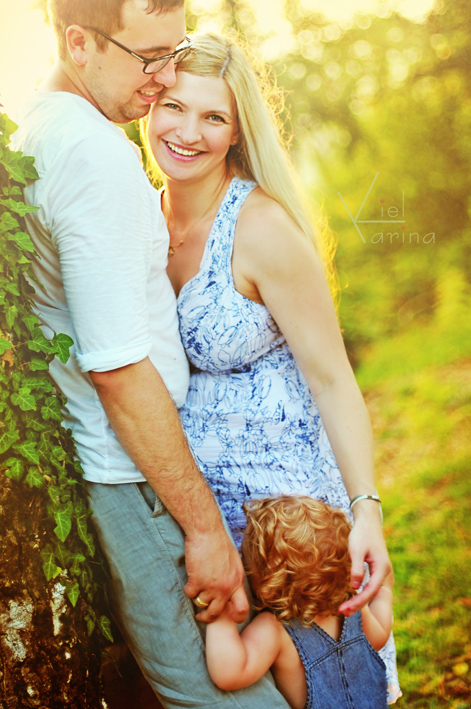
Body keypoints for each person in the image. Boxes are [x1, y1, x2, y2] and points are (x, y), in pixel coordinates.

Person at [12, 3, 290, 707]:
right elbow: (117, 367)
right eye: (149, 57)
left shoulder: (46, 127)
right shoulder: (93, 155)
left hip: (143, 471)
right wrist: (204, 529)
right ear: (79, 43)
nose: (166, 76)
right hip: (138, 478)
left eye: (177, 49)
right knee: (225, 698)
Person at [145, 31, 401, 701]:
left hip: (292, 533)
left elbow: (333, 380)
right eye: (174, 106)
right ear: (149, 103)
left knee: (325, 686)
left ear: (237, 132)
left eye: (213, 116)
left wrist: (366, 511)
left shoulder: (260, 227)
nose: (187, 132)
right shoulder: (140, 219)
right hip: (203, 522)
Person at [206, 496, 394, 709]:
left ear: (266, 581)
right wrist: (384, 590)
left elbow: (230, 673)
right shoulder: (351, 605)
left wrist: (221, 612)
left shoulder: (274, 629)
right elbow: (378, 637)